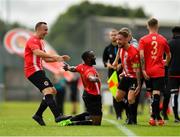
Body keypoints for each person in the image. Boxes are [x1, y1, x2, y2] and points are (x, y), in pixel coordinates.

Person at [24, 22, 71, 126]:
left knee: (52, 91)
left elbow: (45, 59)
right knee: (48, 90)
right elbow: (37, 53)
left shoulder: (41, 42)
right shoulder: (32, 40)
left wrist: (59, 58)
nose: (47, 32)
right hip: (33, 71)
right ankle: (58, 116)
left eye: (47, 29)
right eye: (45, 30)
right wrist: (55, 57)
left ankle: (38, 115)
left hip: (38, 70)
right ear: (38, 29)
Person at [139, 18, 171, 126]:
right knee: (156, 94)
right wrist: (165, 62)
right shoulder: (163, 39)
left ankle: (153, 117)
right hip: (158, 71)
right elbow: (169, 55)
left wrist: (143, 70)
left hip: (147, 71)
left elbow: (142, 56)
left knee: (152, 96)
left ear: (147, 26)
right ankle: (157, 117)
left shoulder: (143, 39)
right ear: (158, 26)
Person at [60, 50, 102, 126]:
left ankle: (70, 119)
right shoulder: (90, 70)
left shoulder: (82, 66)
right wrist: (94, 79)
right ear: (88, 59)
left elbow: (74, 68)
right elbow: (90, 77)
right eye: (93, 56)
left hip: (88, 94)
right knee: (96, 123)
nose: (95, 58)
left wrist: (68, 68)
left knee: (90, 113)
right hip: (93, 96)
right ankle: (71, 123)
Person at [113, 30, 141, 125]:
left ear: (126, 39)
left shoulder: (133, 52)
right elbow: (123, 60)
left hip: (133, 78)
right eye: (117, 40)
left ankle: (132, 119)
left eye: (120, 39)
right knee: (117, 97)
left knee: (130, 99)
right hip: (125, 76)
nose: (118, 42)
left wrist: (139, 84)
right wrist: (122, 69)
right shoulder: (120, 48)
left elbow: (137, 69)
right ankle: (129, 116)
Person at [102, 29, 124, 120]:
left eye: (115, 35)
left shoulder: (122, 47)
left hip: (122, 73)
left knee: (123, 94)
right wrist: (109, 65)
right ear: (110, 37)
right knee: (114, 94)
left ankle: (125, 112)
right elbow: (104, 61)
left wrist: (121, 64)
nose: (114, 37)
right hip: (112, 74)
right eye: (112, 35)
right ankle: (118, 115)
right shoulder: (107, 48)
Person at [167, 26, 180, 123]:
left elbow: (165, 59)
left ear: (173, 33)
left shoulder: (169, 43)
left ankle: (176, 117)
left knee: (174, 95)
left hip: (172, 73)